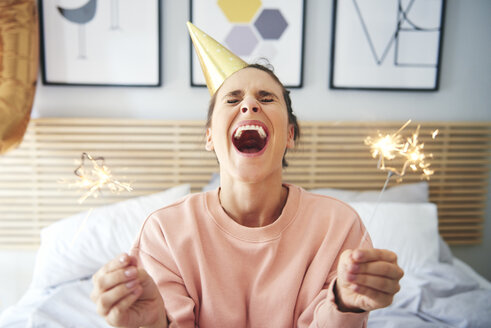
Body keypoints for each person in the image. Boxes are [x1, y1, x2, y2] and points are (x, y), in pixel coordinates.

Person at [90, 23, 404, 328]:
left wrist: (345, 304)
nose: (250, 104)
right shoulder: (163, 232)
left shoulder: (339, 225)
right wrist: (152, 324)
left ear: (290, 135)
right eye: (232, 99)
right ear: (210, 136)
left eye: (266, 98)